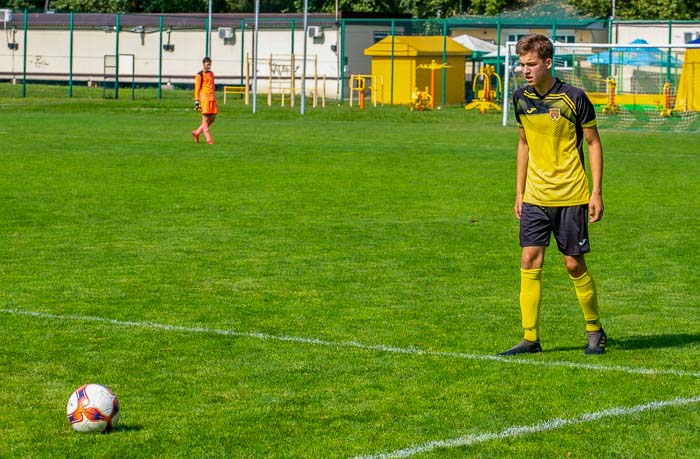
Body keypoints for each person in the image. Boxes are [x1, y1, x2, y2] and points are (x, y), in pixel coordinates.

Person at [500, 34, 607, 356]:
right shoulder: (520, 98)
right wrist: (519, 192)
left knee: (574, 264)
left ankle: (594, 329)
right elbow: (523, 143)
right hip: (535, 196)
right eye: (521, 65)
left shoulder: (574, 97)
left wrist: (596, 192)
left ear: (548, 63)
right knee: (529, 260)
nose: (525, 70)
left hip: (571, 195)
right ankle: (530, 338)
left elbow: (593, 143)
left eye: (531, 64)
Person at [192, 57, 217, 145]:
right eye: (207, 64)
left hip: (212, 98)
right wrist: (196, 101)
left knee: (212, 118)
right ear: (203, 64)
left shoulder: (211, 73)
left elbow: (213, 86)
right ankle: (209, 139)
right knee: (205, 118)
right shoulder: (199, 75)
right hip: (204, 98)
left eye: (210, 64)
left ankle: (197, 133)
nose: (209, 66)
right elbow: (197, 89)